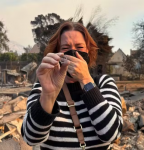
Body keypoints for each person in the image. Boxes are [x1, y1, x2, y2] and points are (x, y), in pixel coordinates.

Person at [21, 22, 123, 150]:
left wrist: (85, 79)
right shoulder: (43, 87)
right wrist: (48, 95)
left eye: (80, 47)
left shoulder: (104, 83)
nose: (73, 52)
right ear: (56, 53)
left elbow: (112, 134)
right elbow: (30, 138)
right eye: (65, 48)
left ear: (88, 51)